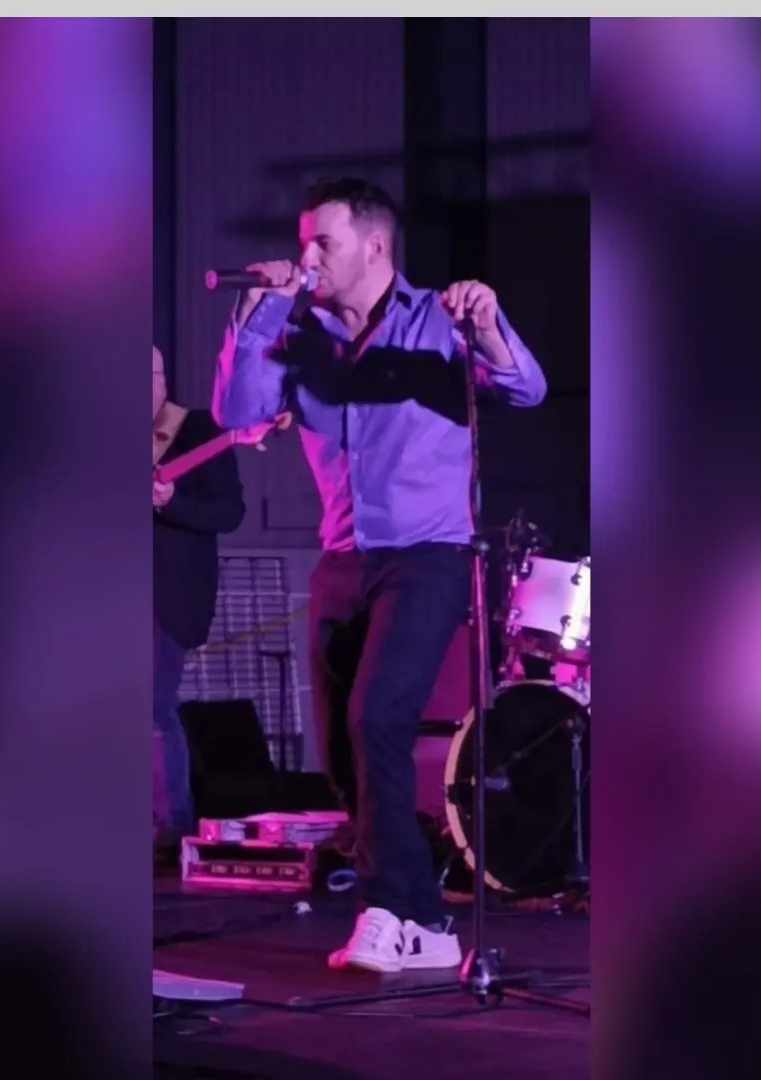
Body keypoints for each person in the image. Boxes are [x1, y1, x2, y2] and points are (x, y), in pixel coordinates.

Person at [212, 178, 547, 971]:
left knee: (378, 719)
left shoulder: (439, 318)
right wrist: (260, 314)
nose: (308, 258)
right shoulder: (300, 331)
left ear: (374, 246)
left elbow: (525, 388)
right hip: (341, 557)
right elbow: (234, 413)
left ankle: (386, 910)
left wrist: (488, 325)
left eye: (322, 243)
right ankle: (428, 924)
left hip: (427, 554)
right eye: (304, 243)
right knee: (339, 749)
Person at [153, 345, 245, 867]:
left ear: (162, 378)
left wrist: (173, 503)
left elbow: (229, 512)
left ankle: (171, 827)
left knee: (151, 708)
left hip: (163, 596)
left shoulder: (197, 431)